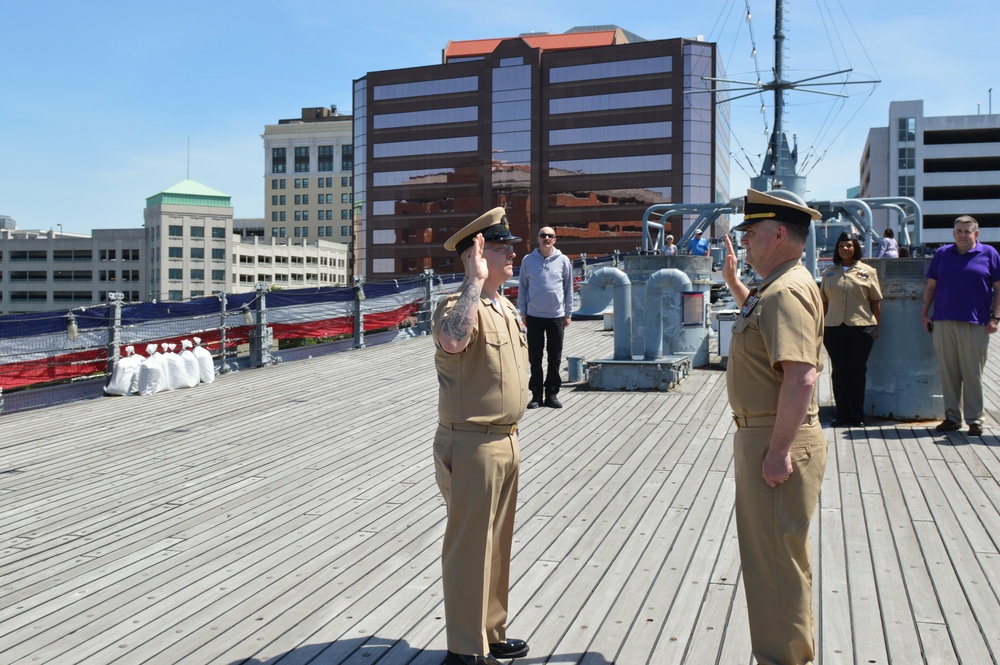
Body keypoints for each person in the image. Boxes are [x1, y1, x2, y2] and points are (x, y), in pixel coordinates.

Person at [722, 188, 827, 665]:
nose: (745, 244)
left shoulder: (785, 290)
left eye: (751, 235)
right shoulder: (778, 287)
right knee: (772, 560)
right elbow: (766, 336)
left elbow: (801, 376)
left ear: (779, 234)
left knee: (776, 567)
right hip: (765, 434)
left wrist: (779, 449)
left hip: (774, 438)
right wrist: (736, 286)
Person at [433, 208, 531, 665]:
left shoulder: (505, 307)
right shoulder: (457, 306)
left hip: (506, 440)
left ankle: (489, 633)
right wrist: (473, 280)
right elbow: (454, 342)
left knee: (496, 544)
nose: (512, 251)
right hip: (471, 443)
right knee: (469, 547)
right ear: (475, 254)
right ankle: (464, 648)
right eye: (499, 246)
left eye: (509, 245)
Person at [921, 215, 1000, 437]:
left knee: (973, 373)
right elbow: (931, 286)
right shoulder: (942, 254)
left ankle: (975, 419)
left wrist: (995, 317)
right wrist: (924, 313)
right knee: (948, 372)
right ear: (953, 233)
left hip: (975, 323)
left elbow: (998, 288)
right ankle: (953, 418)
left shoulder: (989, 254)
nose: (962, 235)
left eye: (967, 231)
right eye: (958, 231)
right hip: (943, 320)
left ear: (976, 233)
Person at [820, 232, 883, 426]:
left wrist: (877, 326)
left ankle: (856, 415)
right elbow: (823, 302)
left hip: (861, 327)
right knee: (839, 371)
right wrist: (821, 326)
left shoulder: (868, 271)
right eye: (841, 246)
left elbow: (875, 300)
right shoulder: (829, 273)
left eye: (848, 245)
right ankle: (841, 413)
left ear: (855, 247)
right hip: (834, 328)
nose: (845, 249)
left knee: (856, 371)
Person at [518, 226, 573, 409]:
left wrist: (568, 314)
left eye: (550, 236)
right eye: (543, 235)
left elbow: (568, 289)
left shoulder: (564, 260)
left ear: (555, 240)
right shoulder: (528, 260)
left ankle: (551, 394)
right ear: (538, 239)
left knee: (554, 357)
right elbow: (523, 288)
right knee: (535, 357)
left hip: (556, 316)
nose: (547, 238)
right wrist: (522, 312)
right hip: (534, 316)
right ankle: (536, 395)